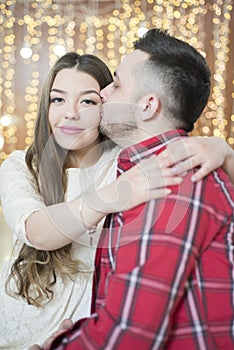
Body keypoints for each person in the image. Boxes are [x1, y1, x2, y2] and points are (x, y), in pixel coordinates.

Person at [31, 29, 234, 349]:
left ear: (148, 105)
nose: (104, 93)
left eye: (117, 83)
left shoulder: (169, 179)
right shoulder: (140, 171)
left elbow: (128, 335)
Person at [0, 52, 184, 349]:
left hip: (88, 324)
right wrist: (109, 196)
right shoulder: (21, 165)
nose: (70, 113)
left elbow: (178, 148)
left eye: (87, 101)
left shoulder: (124, 162)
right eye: (58, 100)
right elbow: (35, 230)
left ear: (105, 107)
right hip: (21, 314)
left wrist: (221, 150)